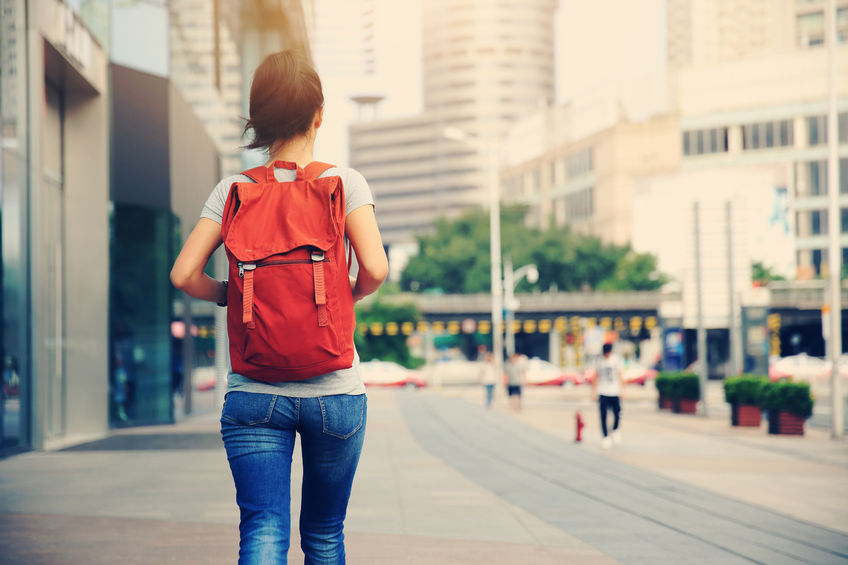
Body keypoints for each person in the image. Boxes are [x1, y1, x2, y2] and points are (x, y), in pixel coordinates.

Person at [170, 49, 388, 564]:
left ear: (258, 120)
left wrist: (230, 293)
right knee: (324, 533)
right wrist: (342, 296)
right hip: (335, 392)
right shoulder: (344, 183)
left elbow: (183, 274)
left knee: (263, 530)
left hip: (253, 394)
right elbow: (375, 270)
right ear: (319, 114)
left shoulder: (234, 191)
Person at [592, 342, 625, 449]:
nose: (606, 355)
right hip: (603, 391)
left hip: (615, 391)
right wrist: (593, 391)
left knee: (618, 414)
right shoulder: (599, 361)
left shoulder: (616, 360)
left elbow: (620, 375)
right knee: (603, 415)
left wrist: (623, 390)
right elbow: (596, 376)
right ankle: (605, 436)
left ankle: (615, 429)